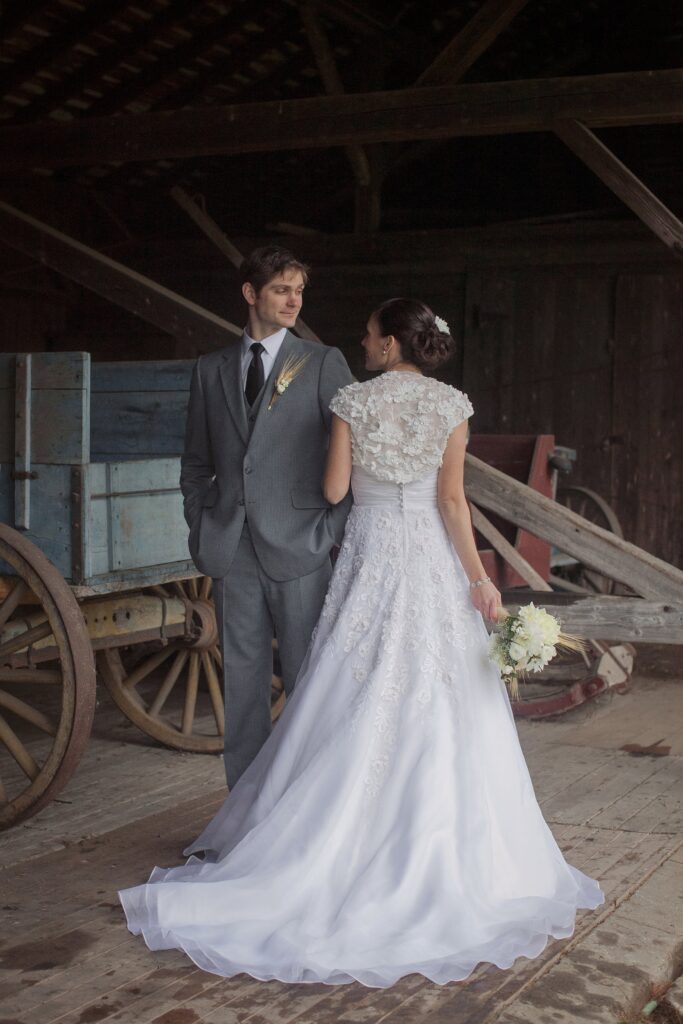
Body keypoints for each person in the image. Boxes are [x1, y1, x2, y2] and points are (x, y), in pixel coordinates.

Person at [121, 298, 604, 988]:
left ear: (386, 345)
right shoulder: (451, 407)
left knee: (352, 684)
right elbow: (451, 503)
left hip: (371, 554)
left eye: (368, 333)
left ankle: (311, 843)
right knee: (440, 693)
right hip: (431, 562)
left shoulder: (351, 401)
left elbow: (334, 487)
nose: (362, 340)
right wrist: (479, 581)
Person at [179, 246, 353, 786]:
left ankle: (303, 815)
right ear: (251, 294)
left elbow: (354, 455)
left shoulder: (324, 363)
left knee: (307, 685)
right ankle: (242, 816)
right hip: (231, 549)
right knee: (242, 689)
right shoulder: (209, 370)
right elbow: (195, 462)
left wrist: (327, 530)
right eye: (282, 289)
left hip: (301, 547)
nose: (293, 300)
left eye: (299, 291)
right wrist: (201, 522)